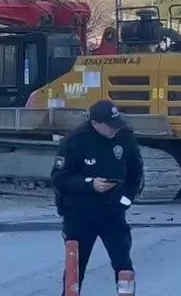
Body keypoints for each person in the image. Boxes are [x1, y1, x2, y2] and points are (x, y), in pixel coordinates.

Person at [51, 100, 144, 296]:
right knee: (75, 267)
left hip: (112, 213)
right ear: (95, 123)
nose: (114, 130)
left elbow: (136, 173)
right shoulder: (75, 141)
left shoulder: (124, 137)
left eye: (116, 125)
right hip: (80, 215)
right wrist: (89, 184)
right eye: (110, 126)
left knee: (123, 264)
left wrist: (124, 202)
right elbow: (59, 179)